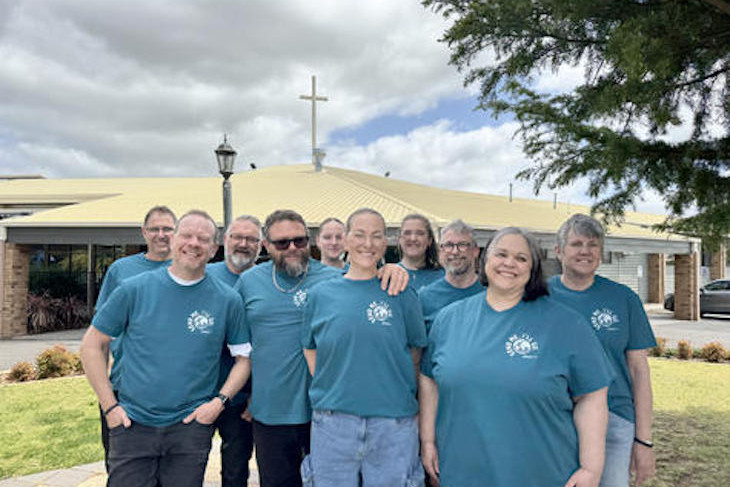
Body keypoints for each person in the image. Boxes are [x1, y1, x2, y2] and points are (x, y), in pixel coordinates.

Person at [419, 227, 612, 487]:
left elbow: (592, 396)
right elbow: (429, 380)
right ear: (485, 259)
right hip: (462, 471)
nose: (509, 263)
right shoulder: (449, 319)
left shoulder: (566, 325)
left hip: (542, 473)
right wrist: (428, 441)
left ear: (533, 269)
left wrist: (591, 467)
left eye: (521, 258)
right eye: (501, 254)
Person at [235, 209, 409, 487]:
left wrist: (393, 267)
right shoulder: (248, 283)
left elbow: (367, 279)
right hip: (271, 411)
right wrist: (246, 393)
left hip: (329, 414)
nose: (292, 248)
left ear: (310, 241)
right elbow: (239, 348)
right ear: (266, 245)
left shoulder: (334, 279)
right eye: (282, 243)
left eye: (299, 241)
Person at [80, 210, 251, 487]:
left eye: (203, 238)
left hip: (190, 428)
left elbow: (244, 359)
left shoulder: (227, 299)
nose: (193, 243)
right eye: (186, 235)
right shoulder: (133, 289)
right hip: (131, 422)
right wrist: (110, 406)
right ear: (173, 240)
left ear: (213, 249)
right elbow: (91, 345)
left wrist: (218, 403)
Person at [300, 208, 427, 487]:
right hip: (333, 423)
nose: (367, 244)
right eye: (359, 235)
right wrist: (333, 381)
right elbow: (309, 347)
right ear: (345, 240)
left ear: (385, 243)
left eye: (376, 236)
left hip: (393, 423)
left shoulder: (400, 291)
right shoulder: (320, 295)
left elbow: (415, 352)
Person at [549, 214, 657, 487]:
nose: (585, 251)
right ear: (559, 251)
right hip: (553, 420)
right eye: (576, 244)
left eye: (593, 244)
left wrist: (644, 440)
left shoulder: (624, 298)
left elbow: (639, 371)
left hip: (614, 419)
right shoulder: (539, 296)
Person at [94, 205, 177, 472]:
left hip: (176, 392)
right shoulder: (121, 270)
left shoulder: (192, 269)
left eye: (168, 229)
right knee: (122, 469)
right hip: (125, 388)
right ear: (144, 232)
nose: (161, 234)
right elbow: (100, 334)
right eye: (155, 229)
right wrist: (106, 385)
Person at [206, 215, 262, 487]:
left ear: (260, 246)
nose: (243, 244)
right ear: (224, 241)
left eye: (251, 239)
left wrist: (257, 395)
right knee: (185, 468)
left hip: (242, 399)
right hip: (197, 394)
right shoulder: (204, 275)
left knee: (236, 472)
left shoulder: (266, 282)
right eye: (237, 237)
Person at [418, 219, 483, 331]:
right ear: (440, 251)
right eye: (448, 245)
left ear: (475, 251)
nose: (454, 252)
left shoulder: (491, 294)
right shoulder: (424, 298)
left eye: (462, 245)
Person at [397, 214, 444, 290]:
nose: (413, 238)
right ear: (399, 239)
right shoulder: (388, 276)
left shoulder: (444, 278)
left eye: (420, 233)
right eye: (407, 233)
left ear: (429, 240)